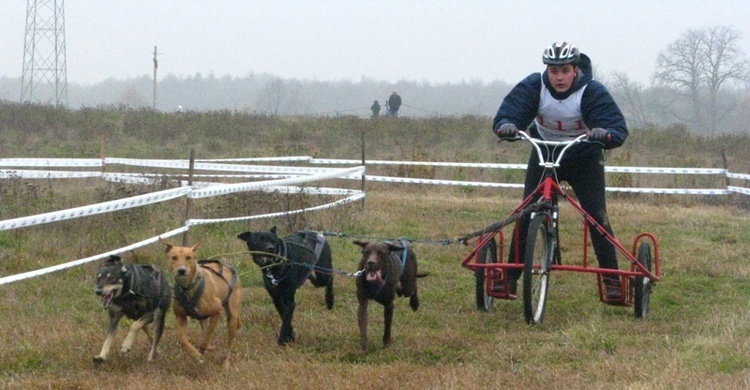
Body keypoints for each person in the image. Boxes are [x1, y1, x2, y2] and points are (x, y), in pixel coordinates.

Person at [492, 41, 628, 304]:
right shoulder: (535, 86)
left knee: (596, 216)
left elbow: (616, 126)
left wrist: (605, 134)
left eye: (565, 70)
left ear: (575, 70)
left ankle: (612, 281)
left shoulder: (591, 91)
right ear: (547, 71)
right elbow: (510, 112)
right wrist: (507, 125)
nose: (559, 77)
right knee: (526, 211)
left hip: (583, 155)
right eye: (554, 71)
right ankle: (509, 279)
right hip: (545, 152)